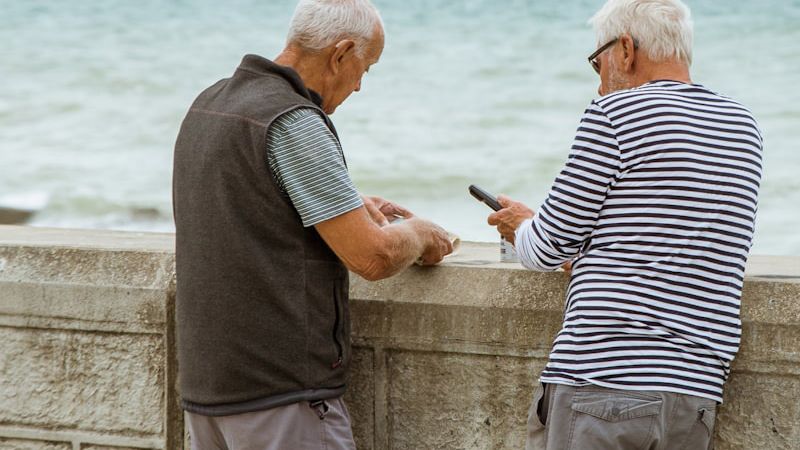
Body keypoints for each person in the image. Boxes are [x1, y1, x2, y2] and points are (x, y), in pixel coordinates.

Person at [172, 0, 453, 448]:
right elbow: (373, 257)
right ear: (340, 54)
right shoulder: (293, 120)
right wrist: (420, 234)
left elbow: (248, 204)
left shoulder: (210, 103)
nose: (359, 86)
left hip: (208, 391)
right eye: (365, 68)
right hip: (280, 394)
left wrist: (345, 203)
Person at [487, 1, 763, 449]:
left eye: (598, 63)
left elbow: (545, 248)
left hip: (602, 384)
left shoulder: (614, 114)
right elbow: (669, 237)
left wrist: (521, 225)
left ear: (627, 49)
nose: (599, 83)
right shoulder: (743, 126)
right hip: (695, 393)